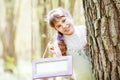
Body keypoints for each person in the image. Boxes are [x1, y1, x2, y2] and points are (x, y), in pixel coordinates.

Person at [46, 7, 94, 80]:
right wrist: (58, 56)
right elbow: (66, 76)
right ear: (56, 29)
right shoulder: (59, 45)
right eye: (59, 26)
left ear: (69, 17)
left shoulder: (85, 30)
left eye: (64, 20)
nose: (64, 26)